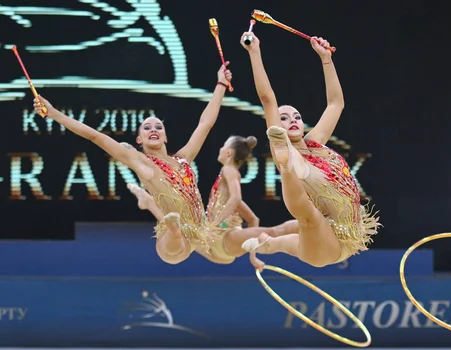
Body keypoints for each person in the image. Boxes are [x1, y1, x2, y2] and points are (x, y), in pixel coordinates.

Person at [33, 63, 234, 265]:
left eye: (158, 127)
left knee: (214, 255)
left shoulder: (183, 159)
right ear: (139, 140)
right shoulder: (142, 163)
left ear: (165, 137)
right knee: (177, 249)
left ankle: (164, 217)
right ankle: (172, 228)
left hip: (197, 232)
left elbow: (205, 123)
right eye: (146, 128)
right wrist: (53, 114)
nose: (153, 129)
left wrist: (221, 84)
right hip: (171, 243)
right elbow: (95, 136)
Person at [238, 31, 380, 269]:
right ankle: (285, 167)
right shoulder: (283, 143)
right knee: (308, 217)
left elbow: (336, 103)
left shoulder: (316, 142)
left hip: (348, 237)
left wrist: (326, 59)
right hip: (323, 243)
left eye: (297, 116)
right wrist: (254, 52)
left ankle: (265, 244)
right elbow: (267, 98)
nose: (292, 120)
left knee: (283, 241)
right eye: (283, 118)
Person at [127, 134, 299, 264]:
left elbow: (237, 199)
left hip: (219, 241)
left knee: (274, 232)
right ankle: (148, 201)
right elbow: (251, 217)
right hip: (218, 243)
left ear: (229, 152)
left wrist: (214, 224)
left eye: (224, 146)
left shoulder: (229, 170)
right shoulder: (226, 177)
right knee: (181, 225)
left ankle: (312, 224)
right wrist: (252, 257)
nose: (220, 149)